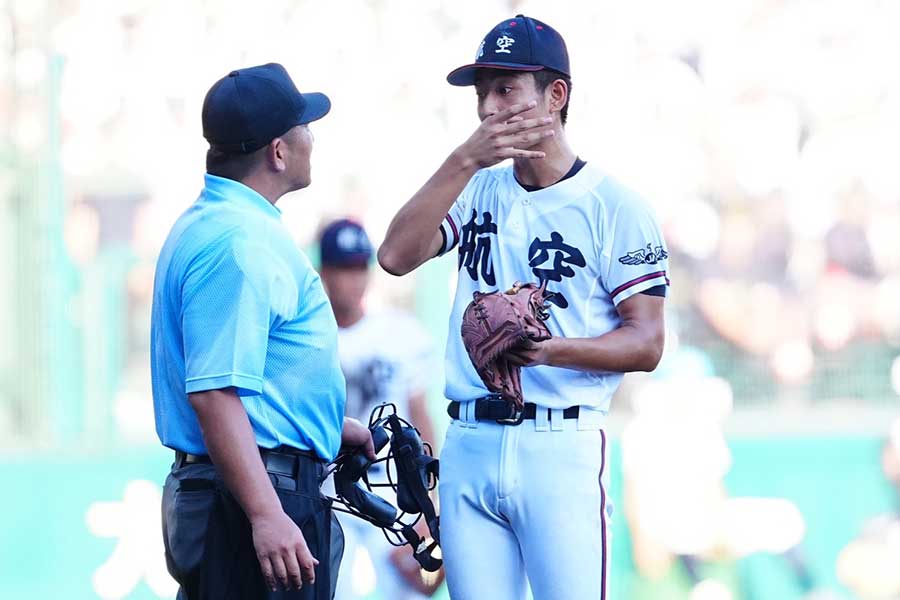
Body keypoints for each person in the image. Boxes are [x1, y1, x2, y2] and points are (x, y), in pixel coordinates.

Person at [377, 15, 669, 600]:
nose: (489, 106)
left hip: (559, 444)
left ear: (556, 95)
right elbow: (394, 255)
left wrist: (546, 350)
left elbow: (647, 343)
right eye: (483, 92)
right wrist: (462, 162)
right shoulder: (478, 186)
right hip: (470, 440)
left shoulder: (614, 205)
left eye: (506, 88)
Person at [150, 63, 374, 600]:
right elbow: (213, 393)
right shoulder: (238, 243)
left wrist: (323, 425)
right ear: (278, 151)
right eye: (303, 127)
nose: (311, 137)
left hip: (252, 484)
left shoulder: (218, 222)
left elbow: (240, 381)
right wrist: (266, 513)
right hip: (254, 496)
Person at [317, 218, 444, 599]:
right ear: (324, 273)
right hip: (327, 488)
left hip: (391, 487)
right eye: (343, 268)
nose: (354, 280)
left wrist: (428, 506)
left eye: (360, 268)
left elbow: (420, 418)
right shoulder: (307, 339)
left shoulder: (398, 332)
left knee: (409, 591)